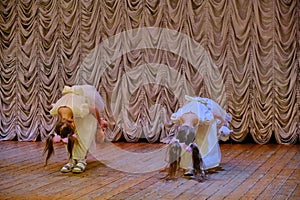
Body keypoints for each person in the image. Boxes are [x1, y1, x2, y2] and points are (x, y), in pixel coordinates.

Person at [43, 85, 108, 173]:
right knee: (68, 137)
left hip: (87, 117)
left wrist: (99, 121)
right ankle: (71, 160)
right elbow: (65, 122)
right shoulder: (59, 110)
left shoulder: (79, 108)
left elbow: (94, 110)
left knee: (83, 137)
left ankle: (81, 160)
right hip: (73, 115)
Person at [170, 95, 232, 176]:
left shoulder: (203, 116)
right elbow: (179, 138)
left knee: (203, 141)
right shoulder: (180, 116)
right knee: (190, 147)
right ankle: (190, 166)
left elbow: (215, 114)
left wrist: (223, 121)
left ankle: (201, 166)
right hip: (191, 117)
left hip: (205, 118)